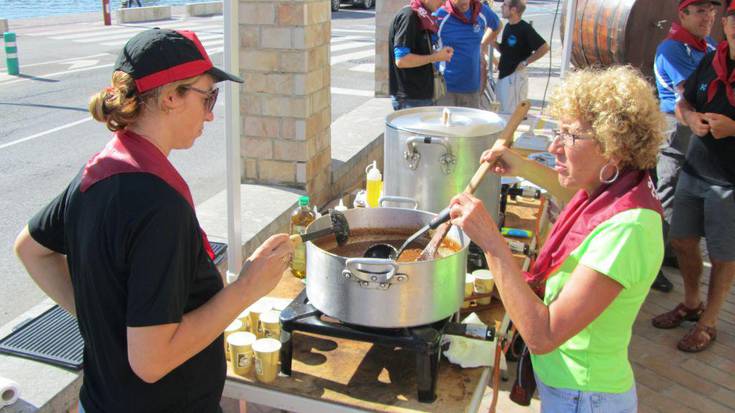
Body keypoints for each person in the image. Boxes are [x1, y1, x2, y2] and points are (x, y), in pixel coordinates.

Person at [13, 29, 294, 412]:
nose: (211, 113)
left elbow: (30, 250)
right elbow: (151, 362)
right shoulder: (159, 205)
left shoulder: (95, 173)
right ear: (170, 98)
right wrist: (247, 288)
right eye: (207, 96)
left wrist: (105, 326)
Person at [449, 66, 664, 411]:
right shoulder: (616, 188)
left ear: (613, 147)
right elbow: (575, 195)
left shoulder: (629, 229)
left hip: (585, 396)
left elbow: (542, 335)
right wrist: (520, 166)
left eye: (570, 137)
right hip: (573, 388)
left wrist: (490, 241)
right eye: (558, 132)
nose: (554, 147)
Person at [652, 2, 735, 353]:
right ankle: (691, 302)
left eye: (714, 12)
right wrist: (689, 117)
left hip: (730, 181)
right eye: (732, 18)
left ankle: (709, 322)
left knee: (722, 255)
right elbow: (682, 100)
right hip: (696, 167)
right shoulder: (712, 59)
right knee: (684, 241)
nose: (728, 24)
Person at [652, 0, 719, 293]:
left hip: (698, 128)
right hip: (676, 127)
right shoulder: (673, 48)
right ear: (684, 14)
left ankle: (668, 252)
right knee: (667, 195)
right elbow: (692, 92)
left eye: (712, 11)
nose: (709, 17)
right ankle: (651, 264)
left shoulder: (709, 46)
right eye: (701, 10)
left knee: (685, 195)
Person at [434, 0, 501, 108]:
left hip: (472, 87)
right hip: (446, 88)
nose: (464, 2)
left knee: (471, 124)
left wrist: (482, 45)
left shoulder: (481, 10)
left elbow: (497, 25)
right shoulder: (440, 15)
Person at [389, 0, 454, 110]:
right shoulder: (410, 16)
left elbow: (418, 50)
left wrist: (438, 54)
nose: (443, 4)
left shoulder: (422, 16)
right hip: (410, 98)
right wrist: (436, 57)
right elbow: (401, 60)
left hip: (418, 96)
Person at [493, 0, 549, 114]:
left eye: (505, 5)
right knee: (501, 110)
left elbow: (544, 48)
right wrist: (492, 42)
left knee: (512, 113)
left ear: (513, 10)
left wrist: (525, 62)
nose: (501, 7)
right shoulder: (508, 26)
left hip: (515, 76)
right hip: (503, 75)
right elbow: (504, 49)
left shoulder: (525, 28)